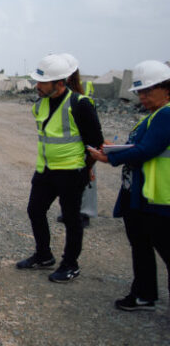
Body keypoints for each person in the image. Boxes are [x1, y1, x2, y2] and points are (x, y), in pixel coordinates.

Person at [88, 60, 170, 311]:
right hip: (141, 195)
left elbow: (147, 150)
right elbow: (138, 147)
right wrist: (114, 149)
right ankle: (144, 293)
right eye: (140, 92)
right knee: (141, 247)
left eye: (148, 91)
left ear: (167, 88)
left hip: (158, 198)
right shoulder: (153, 116)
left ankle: (144, 293)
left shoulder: (166, 114)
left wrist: (109, 157)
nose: (142, 97)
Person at [16, 54, 104, 283]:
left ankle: (70, 264)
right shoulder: (40, 105)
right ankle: (44, 255)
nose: (38, 86)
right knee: (35, 210)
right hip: (45, 170)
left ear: (59, 83)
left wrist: (87, 169)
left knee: (71, 218)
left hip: (71, 172)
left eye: (42, 83)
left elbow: (95, 141)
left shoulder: (80, 104)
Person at [57, 53, 97, 228]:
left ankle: (85, 212)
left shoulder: (80, 97)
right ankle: (69, 210)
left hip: (82, 143)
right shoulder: (59, 96)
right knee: (66, 181)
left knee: (86, 178)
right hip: (66, 145)